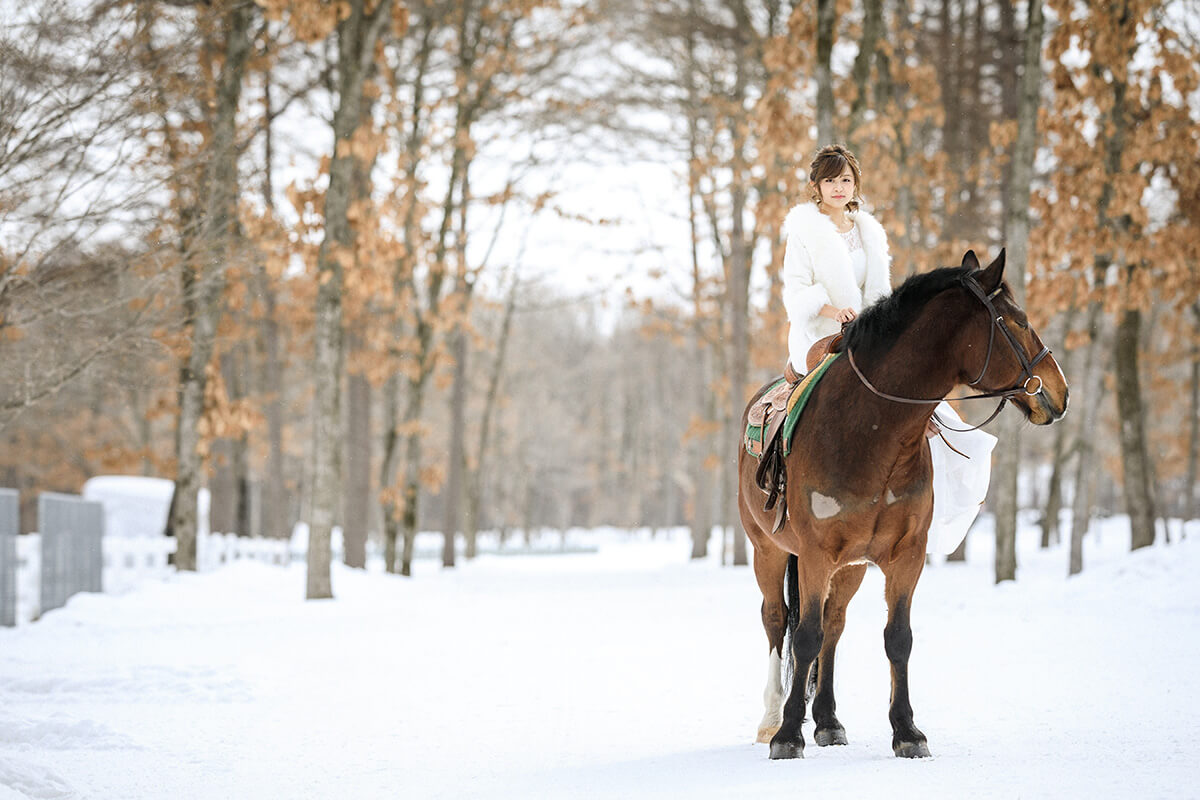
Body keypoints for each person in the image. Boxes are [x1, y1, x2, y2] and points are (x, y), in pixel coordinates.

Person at [780, 144, 995, 556]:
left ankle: (923, 488)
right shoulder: (803, 232)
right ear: (816, 186)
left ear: (855, 183)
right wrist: (833, 310)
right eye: (830, 180)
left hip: (871, 335)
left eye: (846, 179)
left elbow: (880, 294)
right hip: (822, 331)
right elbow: (796, 292)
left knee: (913, 392)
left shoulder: (869, 231)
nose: (839, 188)